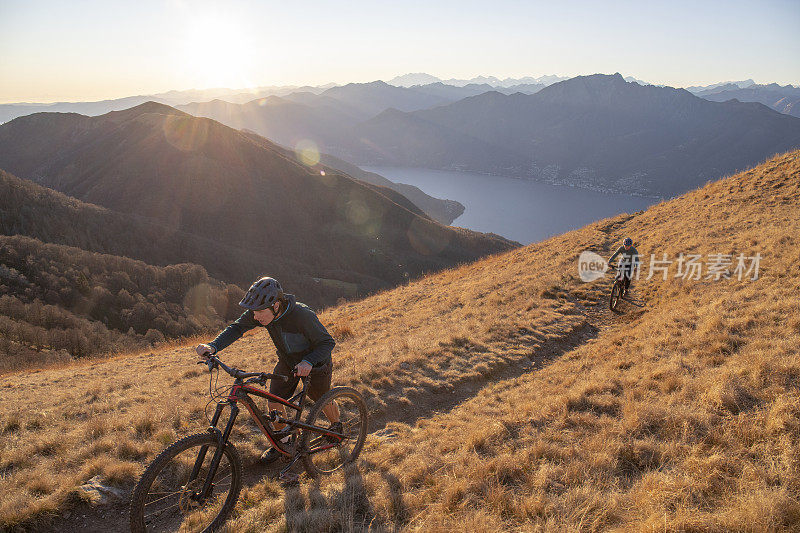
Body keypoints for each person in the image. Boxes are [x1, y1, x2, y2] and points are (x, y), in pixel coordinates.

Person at [196, 276, 340, 463]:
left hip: (316, 362)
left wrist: (309, 362)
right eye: (253, 312)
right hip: (288, 362)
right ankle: (284, 443)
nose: (255, 317)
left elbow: (327, 342)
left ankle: (336, 426)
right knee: (274, 400)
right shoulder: (261, 312)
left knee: (321, 398)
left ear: (276, 305)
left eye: (259, 312)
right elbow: (237, 328)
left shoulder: (302, 315)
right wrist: (213, 346)